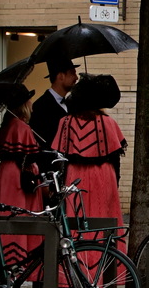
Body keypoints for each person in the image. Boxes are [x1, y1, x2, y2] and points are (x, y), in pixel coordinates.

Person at [52, 73, 127, 249]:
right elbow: (116, 158)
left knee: (75, 220)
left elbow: (60, 157)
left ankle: (76, 265)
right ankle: (107, 266)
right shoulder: (107, 123)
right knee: (105, 218)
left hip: (75, 176)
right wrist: (115, 182)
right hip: (103, 175)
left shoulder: (65, 122)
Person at [0, 86, 44, 273]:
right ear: (23, 105)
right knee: (18, 222)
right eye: (28, 100)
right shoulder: (20, 126)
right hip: (17, 179)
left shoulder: (8, 125)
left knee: (8, 221)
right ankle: (15, 270)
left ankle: (9, 270)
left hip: (7, 175)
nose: (31, 103)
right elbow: (29, 155)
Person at [29, 56, 78, 149]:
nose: (76, 77)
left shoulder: (71, 104)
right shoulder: (40, 106)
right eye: (72, 73)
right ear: (61, 76)